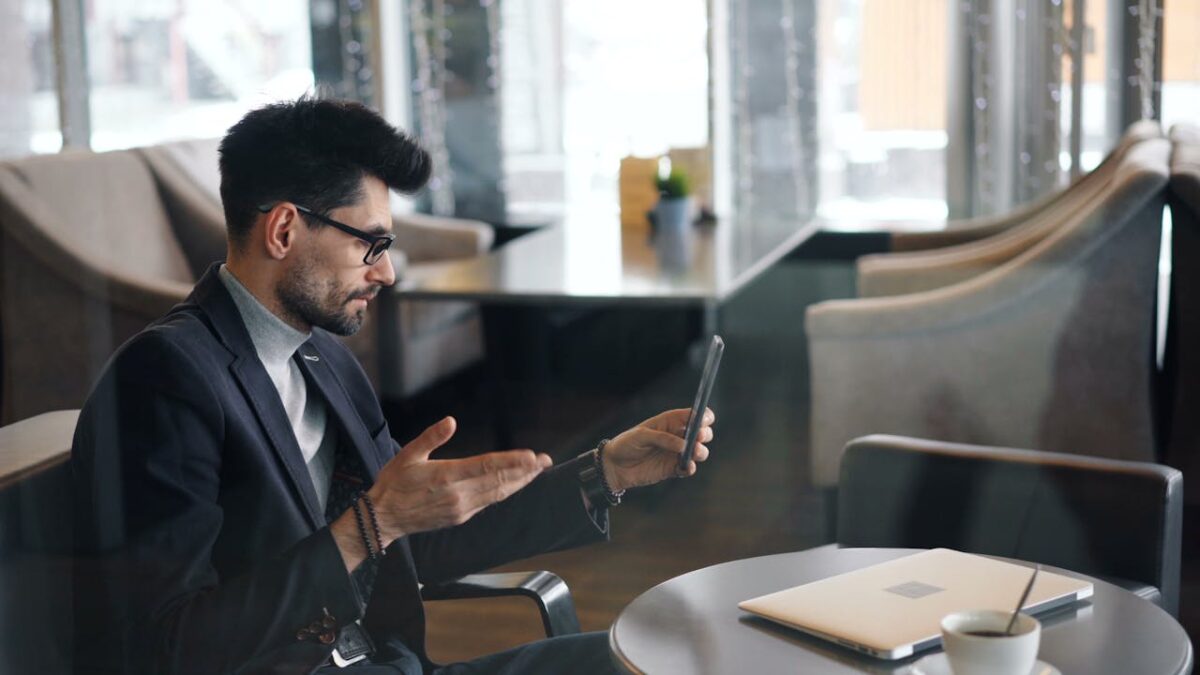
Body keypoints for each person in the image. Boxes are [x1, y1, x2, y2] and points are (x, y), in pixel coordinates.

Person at [69, 95, 715, 674]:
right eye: (370, 245)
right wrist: (367, 526)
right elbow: (167, 647)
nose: (386, 275)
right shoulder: (165, 380)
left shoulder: (325, 359)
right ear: (285, 229)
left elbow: (411, 535)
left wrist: (604, 472)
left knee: (653, 661)